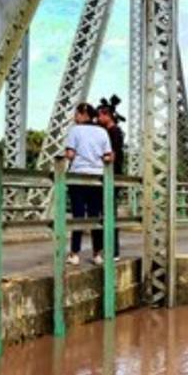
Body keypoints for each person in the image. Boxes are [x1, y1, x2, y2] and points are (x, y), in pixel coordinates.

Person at [65, 102, 113, 266]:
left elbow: (70, 154)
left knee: (78, 215)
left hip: (78, 176)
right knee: (95, 216)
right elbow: (108, 156)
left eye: (76, 114)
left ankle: (74, 254)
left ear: (83, 114)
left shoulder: (75, 130)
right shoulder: (102, 132)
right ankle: (97, 254)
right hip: (97, 178)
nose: (74, 117)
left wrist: (74, 155)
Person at [97, 96, 125, 258]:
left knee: (109, 213)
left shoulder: (113, 132)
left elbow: (112, 156)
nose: (98, 118)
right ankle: (107, 249)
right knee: (105, 213)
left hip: (112, 177)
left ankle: (113, 251)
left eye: (100, 115)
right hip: (111, 176)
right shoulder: (111, 132)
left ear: (107, 115)